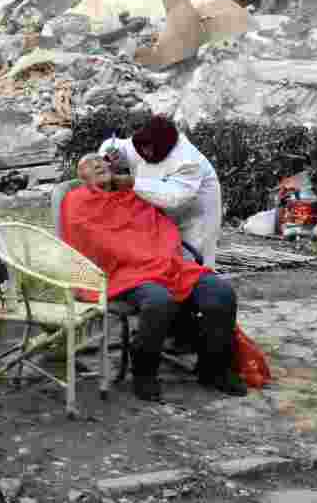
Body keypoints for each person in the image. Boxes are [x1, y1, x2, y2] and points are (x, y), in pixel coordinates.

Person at [61, 153, 246, 402]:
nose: (97, 163)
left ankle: (214, 369)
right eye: (88, 164)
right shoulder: (77, 200)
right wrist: (135, 255)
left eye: (100, 161)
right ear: (81, 177)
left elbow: (161, 227)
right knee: (159, 301)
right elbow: (87, 242)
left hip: (166, 264)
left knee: (220, 293)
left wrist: (157, 254)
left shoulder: (134, 195)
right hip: (122, 271)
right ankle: (144, 372)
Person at [98, 115, 222, 269]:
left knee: (195, 262)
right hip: (162, 214)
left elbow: (173, 196)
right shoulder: (142, 142)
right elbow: (117, 146)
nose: (147, 153)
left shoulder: (187, 160)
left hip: (196, 214)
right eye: (143, 149)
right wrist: (110, 155)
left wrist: (132, 182)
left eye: (151, 149)